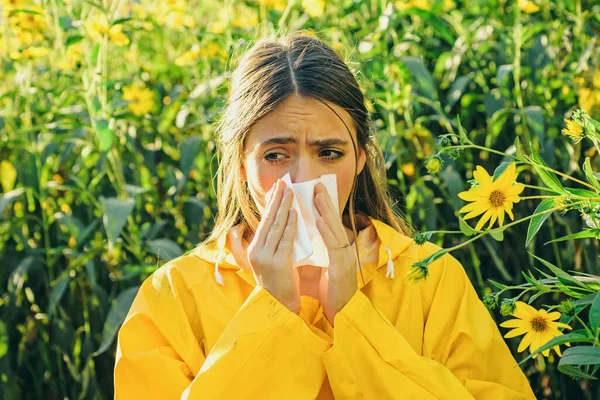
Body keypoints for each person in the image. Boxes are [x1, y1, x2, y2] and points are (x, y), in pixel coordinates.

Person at [113, 33, 536, 399]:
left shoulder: (429, 279)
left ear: (359, 160)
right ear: (241, 164)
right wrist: (273, 312)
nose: (305, 180)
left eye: (329, 153)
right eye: (276, 155)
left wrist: (353, 314)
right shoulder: (175, 295)